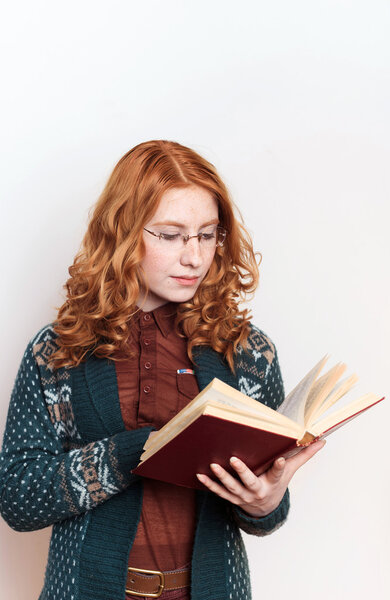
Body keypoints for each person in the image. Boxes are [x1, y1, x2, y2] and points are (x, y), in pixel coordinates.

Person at [0, 139, 324, 600]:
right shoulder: (59, 351)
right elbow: (17, 498)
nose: (194, 256)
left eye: (208, 234)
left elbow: (264, 511)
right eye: (170, 236)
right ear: (124, 233)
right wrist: (137, 451)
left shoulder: (247, 352)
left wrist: (266, 502)